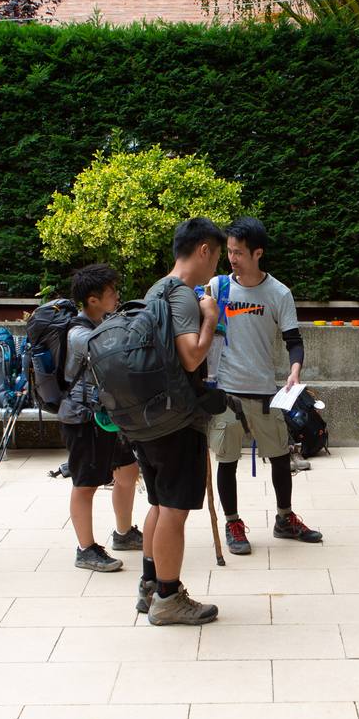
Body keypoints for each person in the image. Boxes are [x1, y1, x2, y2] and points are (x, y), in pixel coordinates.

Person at [205, 217, 322, 555]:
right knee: (226, 460)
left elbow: (293, 340)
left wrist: (295, 370)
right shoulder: (217, 288)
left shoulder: (278, 293)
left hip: (265, 392)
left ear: (258, 253)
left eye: (238, 252)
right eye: (229, 251)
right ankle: (233, 523)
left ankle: (284, 519)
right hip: (225, 393)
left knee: (280, 458)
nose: (232, 258)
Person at [133, 217, 225, 625]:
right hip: (176, 418)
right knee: (174, 509)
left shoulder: (156, 289)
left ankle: (150, 586)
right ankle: (169, 598)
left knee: (156, 501)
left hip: (146, 415)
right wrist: (210, 316)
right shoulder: (185, 296)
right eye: (217, 255)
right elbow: (191, 356)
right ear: (204, 249)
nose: (217, 265)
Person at [60, 263, 143, 571]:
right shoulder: (80, 333)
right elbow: (117, 348)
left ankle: (123, 534)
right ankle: (86, 549)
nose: (117, 295)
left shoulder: (105, 321)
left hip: (107, 415)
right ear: (93, 299)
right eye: (111, 291)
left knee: (127, 470)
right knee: (85, 484)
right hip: (83, 417)